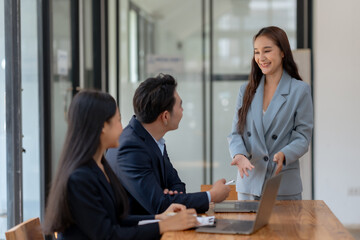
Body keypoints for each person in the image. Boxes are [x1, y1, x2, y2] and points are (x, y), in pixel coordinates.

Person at [42, 90, 198, 240]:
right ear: (103, 126)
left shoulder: (100, 165)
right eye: (118, 120)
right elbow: (108, 235)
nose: (122, 128)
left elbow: (117, 220)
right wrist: (163, 226)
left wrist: (159, 218)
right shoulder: (79, 178)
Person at [106, 74, 230, 215]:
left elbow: (177, 184)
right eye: (180, 105)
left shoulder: (151, 139)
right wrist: (211, 196)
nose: (182, 110)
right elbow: (159, 205)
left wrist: (170, 198)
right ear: (165, 116)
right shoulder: (130, 148)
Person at [228, 26, 313, 200]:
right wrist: (239, 155)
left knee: (286, 228)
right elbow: (236, 133)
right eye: (256, 52)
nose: (261, 58)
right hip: (249, 183)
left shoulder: (300, 90)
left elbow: (303, 137)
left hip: (282, 184)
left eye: (267, 51)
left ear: (283, 52)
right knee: (247, 228)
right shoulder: (246, 90)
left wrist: (285, 154)